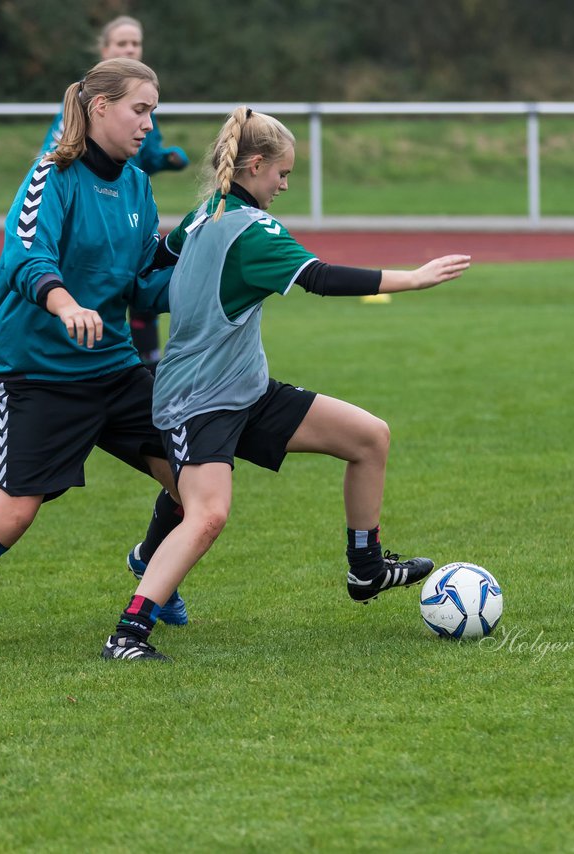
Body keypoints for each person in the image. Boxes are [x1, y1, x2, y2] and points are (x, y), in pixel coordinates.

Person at [99, 107, 473, 661]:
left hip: (246, 390)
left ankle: (366, 570)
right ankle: (128, 634)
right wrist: (413, 278)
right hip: (198, 399)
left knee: (369, 437)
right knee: (207, 515)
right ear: (254, 165)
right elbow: (320, 278)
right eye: (282, 174)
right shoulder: (252, 230)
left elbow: (158, 260)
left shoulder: (206, 211)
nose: (284, 185)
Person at [0, 58, 189, 654]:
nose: (149, 124)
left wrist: (207, 283)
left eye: (154, 112)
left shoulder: (138, 186)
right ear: (101, 108)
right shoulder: (53, 174)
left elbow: (144, 283)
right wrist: (66, 303)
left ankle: (154, 564)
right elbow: (26, 258)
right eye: (140, 110)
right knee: (13, 514)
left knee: (194, 479)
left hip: (114, 366)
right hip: (37, 374)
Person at [41, 15, 189, 374]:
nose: (130, 49)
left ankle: (148, 362)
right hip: (45, 363)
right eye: (122, 44)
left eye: (135, 44)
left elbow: (148, 153)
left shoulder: (137, 178)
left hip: (126, 205)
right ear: (105, 50)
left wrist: (168, 159)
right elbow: (59, 157)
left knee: (137, 272)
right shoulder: (57, 170)